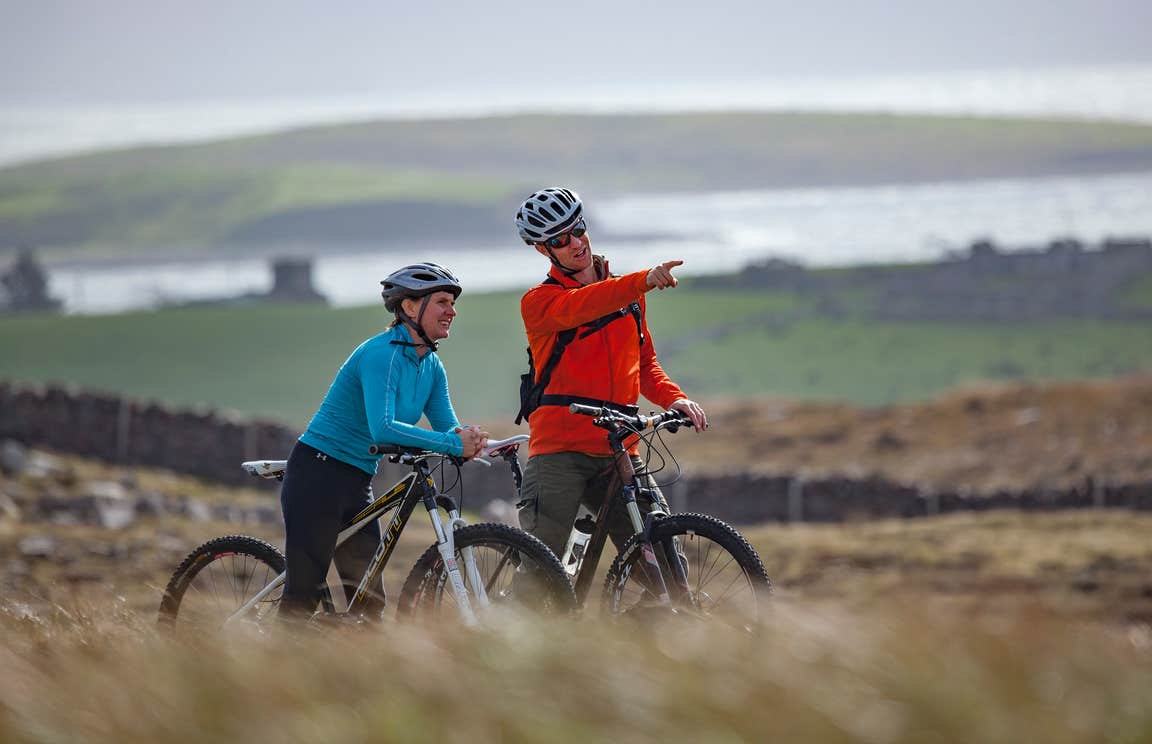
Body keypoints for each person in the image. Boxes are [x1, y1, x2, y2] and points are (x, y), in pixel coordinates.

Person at [278, 262, 488, 619]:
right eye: (442, 301)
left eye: (453, 303)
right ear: (409, 307)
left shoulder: (432, 366)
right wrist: (453, 445)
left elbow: (447, 426)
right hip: (317, 473)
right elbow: (384, 428)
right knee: (303, 596)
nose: (452, 311)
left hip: (358, 480)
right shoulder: (383, 354)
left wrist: (474, 439)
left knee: (369, 603)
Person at [513, 187, 707, 564]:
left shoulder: (627, 294)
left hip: (619, 446)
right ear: (543, 249)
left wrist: (674, 398)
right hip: (560, 450)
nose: (575, 242)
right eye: (559, 239)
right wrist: (641, 280)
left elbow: (644, 363)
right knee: (542, 571)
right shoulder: (539, 302)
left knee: (664, 559)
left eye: (578, 228)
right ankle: (513, 623)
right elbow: (585, 305)